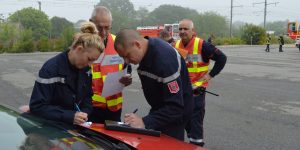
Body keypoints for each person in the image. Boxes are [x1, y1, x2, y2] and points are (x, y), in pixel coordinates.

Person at [114, 29, 194, 141]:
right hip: (160, 108)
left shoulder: (165, 61)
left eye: (127, 55)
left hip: (175, 114)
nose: (126, 61)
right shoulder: (143, 51)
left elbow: (175, 107)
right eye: (123, 57)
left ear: (137, 45)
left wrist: (144, 122)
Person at [29, 22, 104, 125]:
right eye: (89, 59)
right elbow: (37, 106)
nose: (91, 65)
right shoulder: (50, 69)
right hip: (50, 129)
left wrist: (84, 114)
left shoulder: (85, 69)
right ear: (79, 49)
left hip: (74, 127)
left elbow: (87, 98)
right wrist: (69, 116)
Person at [174, 19, 227, 146]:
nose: (182, 31)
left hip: (196, 91)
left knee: (195, 123)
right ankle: (189, 136)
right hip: (180, 91)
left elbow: (222, 58)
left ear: (193, 31)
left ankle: (196, 144)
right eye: (180, 29)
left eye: (186, 29)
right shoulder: (175, 46)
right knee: (181, 119)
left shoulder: (203, 45)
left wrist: (209, 76)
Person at [88, 6, 132, 123]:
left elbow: (127, 67)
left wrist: (127, 77)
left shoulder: (118, 42)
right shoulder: (83, 43)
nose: (103, 32)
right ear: (91, 23)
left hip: (114, 107)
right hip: (90, 108)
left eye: (107, 28)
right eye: (99, 28)